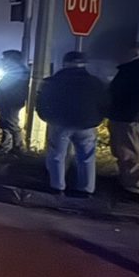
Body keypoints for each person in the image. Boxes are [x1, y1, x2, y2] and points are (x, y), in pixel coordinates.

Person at [35, 51, 106, 194]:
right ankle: (86, 190)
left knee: (57, 156)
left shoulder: (52, 81)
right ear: (84, 64)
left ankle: (57, 187)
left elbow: (41, 102)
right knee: (86, 158)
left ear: (65, 63)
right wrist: (97, 119)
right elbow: (105, 103)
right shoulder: (95, 82)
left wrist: (47, 118)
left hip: (60, 124)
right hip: (86, 125)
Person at [107, 43, 139, 196]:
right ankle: (127, 181)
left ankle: (134, 188)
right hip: (124, 117)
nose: (117, 57)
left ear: (133, 54)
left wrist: (133, 116)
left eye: (121, 53)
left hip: (129, 118)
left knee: (131, 152)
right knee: (124, 151)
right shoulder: (132, 70)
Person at [0, 49, 30, 154]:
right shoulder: (14, 70)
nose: (3, 61)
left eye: (5, 59)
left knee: (12, 125)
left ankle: (18, 148)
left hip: (11, 103)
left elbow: (15, 90)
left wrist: (5, 101)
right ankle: (5, 145)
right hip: (6, 103)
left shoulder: (20, 71)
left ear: (12, 59)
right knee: (5, 124)